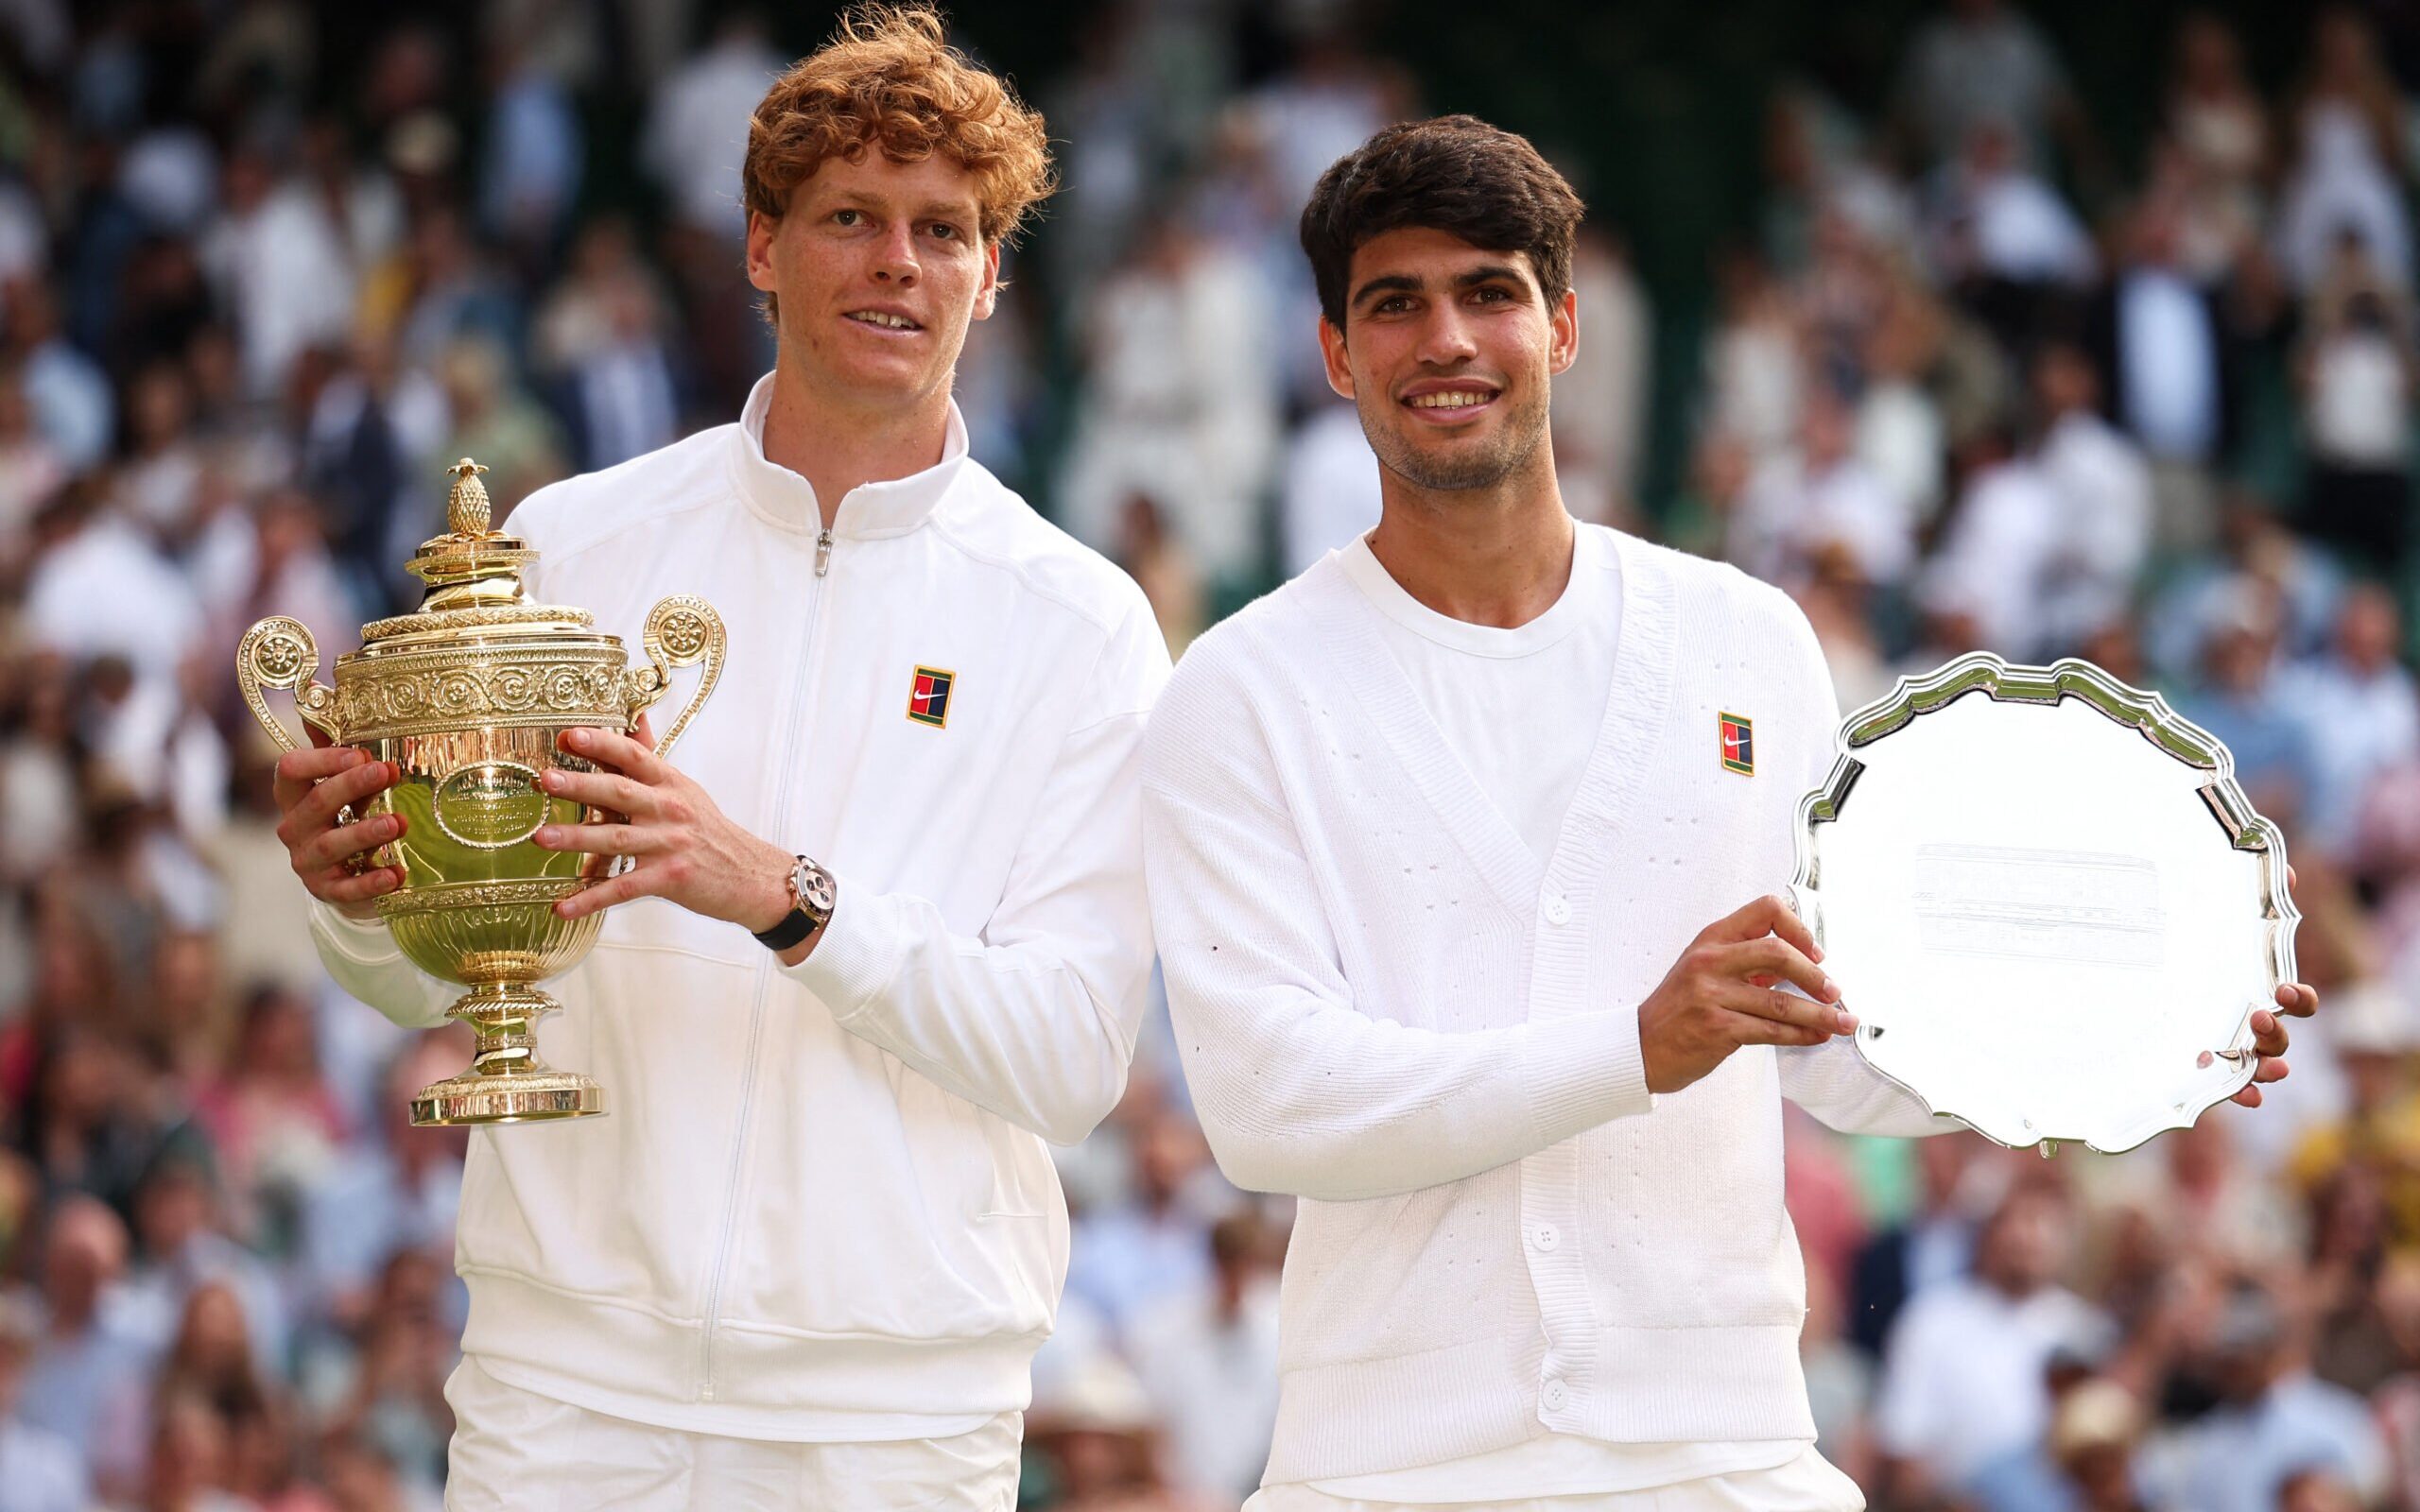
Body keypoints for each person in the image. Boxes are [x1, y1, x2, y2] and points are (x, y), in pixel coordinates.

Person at [1138, 113, 2313, 1512]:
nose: (1445, 340)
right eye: (1395, 304)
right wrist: (1635, 1045)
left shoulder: (1745, 638)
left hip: (1729, 1451)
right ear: (1336, 354)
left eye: (1489, 293)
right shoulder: (1239, 686)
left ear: (1565, 327)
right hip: (1390, 1466)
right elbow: (1274, 1111)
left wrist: (2113, 1039)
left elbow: (1834, 1044)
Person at [267, 9, 1167, 1508]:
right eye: (850, 219)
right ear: (761, 246)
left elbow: (1072, 1061)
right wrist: (355, 895)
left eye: (945, 231)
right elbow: (434, 980)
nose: (898, 262)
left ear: (993, 278)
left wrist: (786, 898)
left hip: (895, 1420)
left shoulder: (1084, 623)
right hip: (566, 1392)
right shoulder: (567, 545)